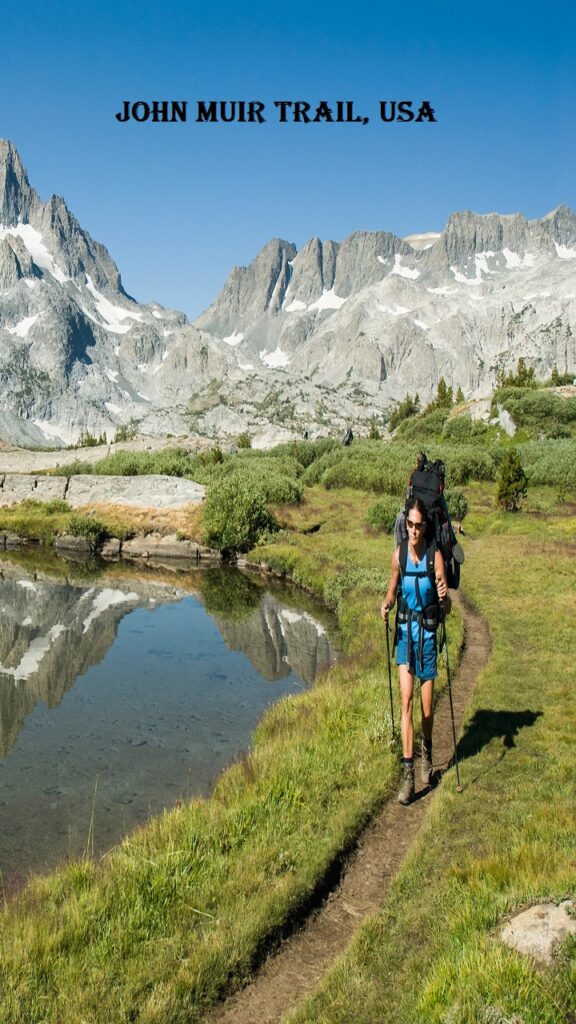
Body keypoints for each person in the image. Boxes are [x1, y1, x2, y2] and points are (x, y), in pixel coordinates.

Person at [381, 496, 451, 805]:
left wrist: (444, 596)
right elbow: (392, 590)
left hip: (426, 638)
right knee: (406, 701)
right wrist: (386, 605)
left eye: (417, 525)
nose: (412, 530)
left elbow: (446, 606)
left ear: (425, 526)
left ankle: (427, 751)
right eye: (408, 524)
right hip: (404, 638)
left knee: (426, 710)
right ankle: (408, 778)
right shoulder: (398, 556)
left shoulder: (434, 558)